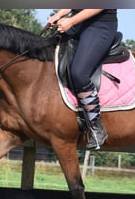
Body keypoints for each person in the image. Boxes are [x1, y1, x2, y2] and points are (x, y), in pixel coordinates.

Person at [48, 9, 118, 150]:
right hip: (79, 24)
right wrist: (58, 15)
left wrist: (71, 21)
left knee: (79, 73)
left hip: (100, 26)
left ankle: (96, 127)